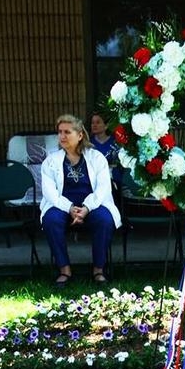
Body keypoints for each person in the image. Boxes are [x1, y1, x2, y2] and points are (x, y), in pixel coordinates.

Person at [40, 113, 121, 287]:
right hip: (61, 205)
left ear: (80, 135)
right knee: (51, 220)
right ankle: (64, 270)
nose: (62, 136)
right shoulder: (51, 161)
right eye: (60, 132)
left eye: (67, 132)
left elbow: (103, 189)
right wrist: (69, 208)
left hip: (93, 204)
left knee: (105, 219)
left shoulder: (96, 158)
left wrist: (86, 208)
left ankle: (98, 269)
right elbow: (50, 193)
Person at [88, 112, 123, 188]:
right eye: (92, 123)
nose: (94, 125)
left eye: (98, 122)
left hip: (114, 183)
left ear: (106, 126)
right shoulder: (88, 144)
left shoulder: (115, 143)